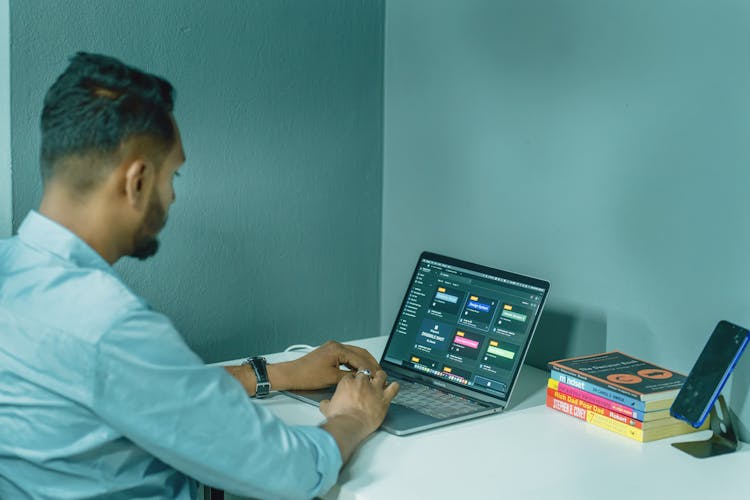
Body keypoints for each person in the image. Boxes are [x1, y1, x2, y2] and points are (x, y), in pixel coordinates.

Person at [0, 52, 399, 499]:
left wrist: (275, 373)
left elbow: (139, 387)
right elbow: (291, 473)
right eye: (174, 175)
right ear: (137, 181)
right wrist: (353, 417)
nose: (172, 197)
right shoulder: (109, 325)